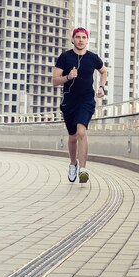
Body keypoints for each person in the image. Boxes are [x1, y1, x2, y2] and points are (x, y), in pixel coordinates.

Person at [52, 27, 107, 183]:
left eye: (83, 37)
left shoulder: (93, 58)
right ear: (73, 39)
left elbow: (104, 71)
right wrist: (68, 76)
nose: (81, 40)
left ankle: (83, 169)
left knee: (81, 131)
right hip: (69, 101)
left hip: (86, 100)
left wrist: (101, 87)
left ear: (87, 39)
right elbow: (55, 81)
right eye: (78, 37)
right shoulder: (65, 57)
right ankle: (72, 164)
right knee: (72, 137)